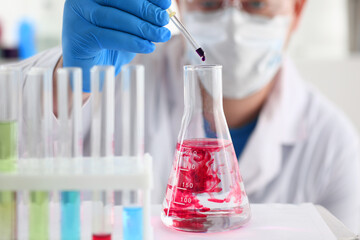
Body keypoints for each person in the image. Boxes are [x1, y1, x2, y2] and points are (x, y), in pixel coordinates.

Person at [7, 0, 360, 232]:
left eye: (256, 2)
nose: (233, 24)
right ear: (180, 8)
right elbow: (12, 160)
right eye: (210, 1)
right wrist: (68, 82)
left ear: (296, 11)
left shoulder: (335, 148)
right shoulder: (120, 74)